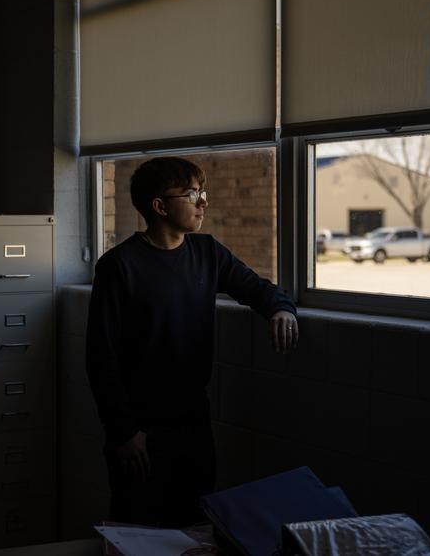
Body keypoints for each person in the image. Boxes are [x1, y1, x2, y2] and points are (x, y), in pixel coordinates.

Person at [86, 156, 298, 528]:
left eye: (203, 193)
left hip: (194, 423)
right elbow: (101, 356)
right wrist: (124, 431)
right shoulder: (119, 266)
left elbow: (255, 287)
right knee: (138, 529)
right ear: (159, 206)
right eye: (192, 194)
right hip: (140, 429)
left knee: (195, 526)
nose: (203, 203)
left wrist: (281, 308)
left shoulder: (207, 252)